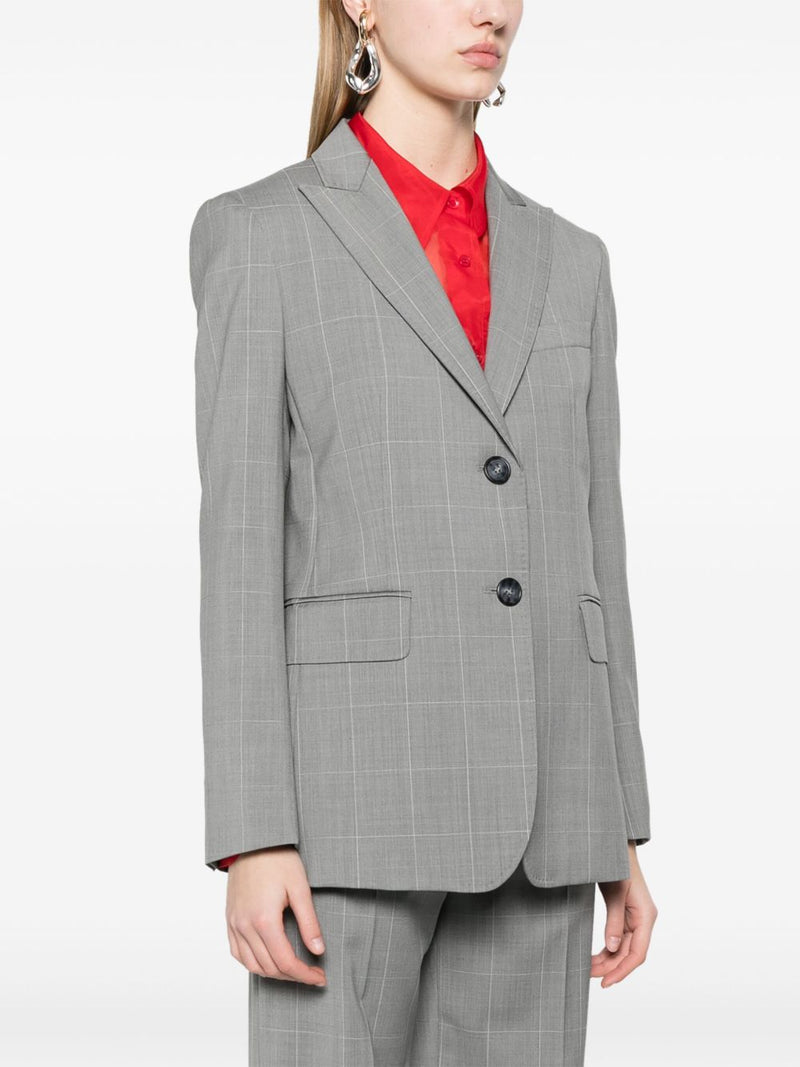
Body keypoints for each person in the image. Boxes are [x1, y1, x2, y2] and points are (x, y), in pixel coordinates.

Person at [189, 1, 658, 1063]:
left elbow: (598, 549)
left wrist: (617, 817)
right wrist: (254, 833)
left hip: (549, 814)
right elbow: (238, 551)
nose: (491, 10)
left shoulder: (572, 260)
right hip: (347, 811)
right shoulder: (262, 233)